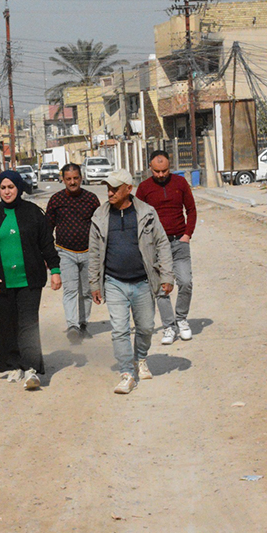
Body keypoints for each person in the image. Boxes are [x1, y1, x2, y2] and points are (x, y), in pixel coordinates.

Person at [0, 170, 62, 390]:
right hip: (0, 282)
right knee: (6, 324)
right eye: (3, 188)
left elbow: (46, 244)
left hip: (30, 279)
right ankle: (14, 365)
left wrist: (55, 269)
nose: (7, 191)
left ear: (19, 188)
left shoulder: (33, 213)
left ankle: (31, 368)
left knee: (28, 323)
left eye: (11, 187)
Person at [89, 170, 173, 395]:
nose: (110, 192)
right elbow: (95, 252)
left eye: (115, 188)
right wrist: (94, 284)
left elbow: (162, 244)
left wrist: (166, 276)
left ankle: (140, 358)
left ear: (129, 189)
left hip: (143, 281)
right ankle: (127, 372)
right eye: (108, 188)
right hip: (114, 281)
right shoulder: (100, 215)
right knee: (119, 330)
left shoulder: (147, 212)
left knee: (145, 327)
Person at [136, 150, 197, 345]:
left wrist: (187, 235)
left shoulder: (180, 183)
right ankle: (169, 326)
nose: (161, 175)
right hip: (155, 246)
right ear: (150, 169)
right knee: (161, 288)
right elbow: (137, 215)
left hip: (179, 242)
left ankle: (181, 319)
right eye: (157, 171)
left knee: (185, 282)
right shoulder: (144, 188)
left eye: (165, 170)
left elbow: (191, 209)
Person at [45, 163, 100, 344]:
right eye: (68, 179)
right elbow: (47, 228)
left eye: (75, 178)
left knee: (86, 291)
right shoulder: (56, 200)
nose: (72, 182)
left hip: (88, 252)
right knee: (70, 290)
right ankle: (72, 326)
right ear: (63, 179)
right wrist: (47, 254)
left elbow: (100, 226)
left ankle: (83, 324)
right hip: (65, 253)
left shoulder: (91, 199)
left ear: (81, 178)